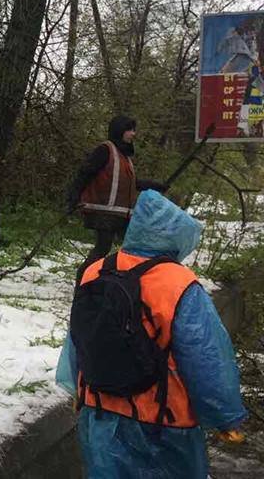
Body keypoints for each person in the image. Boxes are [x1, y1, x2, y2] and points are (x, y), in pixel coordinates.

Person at [57, 190, 247, 478]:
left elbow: (79, 338)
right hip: (163, 424)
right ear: (176, 237)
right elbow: (206, 357)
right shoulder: (179, 283)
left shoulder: (96, 270)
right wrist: (225, 417)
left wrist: (77, 388)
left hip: (100, 416)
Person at [67, 115, 166, 280]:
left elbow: (130, 183)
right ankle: (83, 281)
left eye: (134, 130)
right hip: (103, 212)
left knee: (131, 247)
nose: (133, 134)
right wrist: (73, 197)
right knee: (103, 248)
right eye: (129, 130)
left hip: (119, 214)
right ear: (120, 131)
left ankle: (111, 280)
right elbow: (84, 173)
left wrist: (155, 185)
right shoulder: (105, 150)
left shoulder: (124, 157)